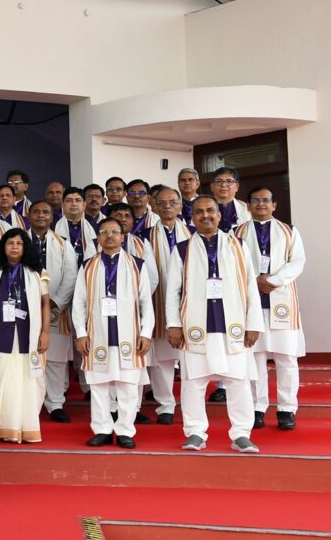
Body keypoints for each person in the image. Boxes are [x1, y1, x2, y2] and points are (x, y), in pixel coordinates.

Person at [164, 197, 263, 453]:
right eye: (199, 212)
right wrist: (173, 324)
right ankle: (195, 432)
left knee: (237, 381)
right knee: (193, 382)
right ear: (192, 218)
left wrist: (253, 324)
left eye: (210, 211)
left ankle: (241, 433)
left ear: (220, 215)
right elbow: (173, 291)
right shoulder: (182, 249)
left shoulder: (238, 245)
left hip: (232, 325)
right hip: (196, 325)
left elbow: (251, 287)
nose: (205, 215)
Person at [73, 218, 154, 449]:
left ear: (122, 236)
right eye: (104, 232)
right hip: (97, 332)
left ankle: (126, 430)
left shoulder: (137, 264)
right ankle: (102, 429)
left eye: (114, 232)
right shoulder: (87, 266)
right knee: (99, 386)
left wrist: (146, 332)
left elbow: (146, 302)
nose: (109, 236)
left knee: (128, 385)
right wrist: (80, 333)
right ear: (98, 237)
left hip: (128, 332)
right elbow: (78, 303)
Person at [234, 187, 305, 430]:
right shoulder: (237, 232)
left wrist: (271, 281)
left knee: (286, 358)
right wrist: (255, 281)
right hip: (251, 299)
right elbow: (234, 265)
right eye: (256, 200)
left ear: (274, 205)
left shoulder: (289, 231)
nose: (261, 204)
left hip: (281, 297)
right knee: (255, 357)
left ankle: (286, 408)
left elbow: (297, 262)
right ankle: (257, 406)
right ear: (248, 205)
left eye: (266, 200)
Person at [0, 229, 50, 443]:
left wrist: (45, 332)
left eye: (19, 243)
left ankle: (24, 426)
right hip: (0, 331)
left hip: (29, 332)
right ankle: (0, 425)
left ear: (25, 247)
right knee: (2, 377)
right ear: (3, 246)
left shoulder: (37, 271)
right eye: (10, 243)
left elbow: (46, 303)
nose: (15, 247)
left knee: (27, 378)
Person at [28, 201, 80, 424]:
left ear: (52, 217)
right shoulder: (18, 239)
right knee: (27, 356)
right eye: (36, 212)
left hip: (56, 308)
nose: (41, 215)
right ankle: (30, 403)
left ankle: (55, 403)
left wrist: (56, 303)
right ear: (28, 215)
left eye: (46, 212)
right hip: (26, 309)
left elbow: (71, 275)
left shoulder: (63, 243)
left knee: (56, 359)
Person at [147, 187, 192, 424]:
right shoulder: (142, 236)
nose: (167, 207)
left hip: (192, 304)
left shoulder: (194, 233)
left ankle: (190, 403)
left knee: (190, 357)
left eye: (172, 202)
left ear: (180, 206)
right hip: (158, 300)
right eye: (161, 203)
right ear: (153, 206)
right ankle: (165, 405)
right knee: (163, 357)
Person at [55, 187, 97, 268]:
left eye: (78, 200)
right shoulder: (53, 227)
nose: (74, 203)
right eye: (69, 200)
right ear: (63, 204)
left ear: (84, 204)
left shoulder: (95, 227)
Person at [210, 168, 250, 234]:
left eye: (229, 181)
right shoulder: (201, 208)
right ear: (212, 186)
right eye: (219, 181)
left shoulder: (247, 209)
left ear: (237, 187)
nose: (223, 185)